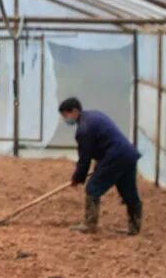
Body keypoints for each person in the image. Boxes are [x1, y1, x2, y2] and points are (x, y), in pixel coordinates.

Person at [59, 97, 142, 235]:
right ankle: (135, 228)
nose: (65, 119)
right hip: (127, 154)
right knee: (129, 192)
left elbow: (84, 159)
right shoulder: (93, 116)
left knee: (93, 188)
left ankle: (89, 224)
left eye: (65, 115)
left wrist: (77, 178)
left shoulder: (84, 129)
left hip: (115, 156)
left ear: (74, 111)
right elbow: (104, 143)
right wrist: (98, 167)